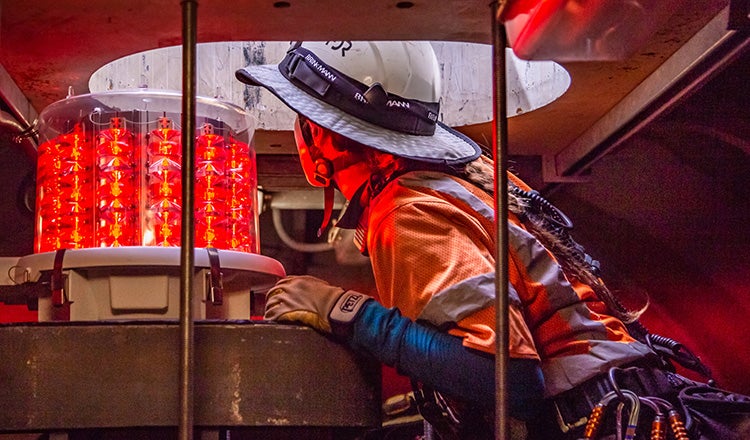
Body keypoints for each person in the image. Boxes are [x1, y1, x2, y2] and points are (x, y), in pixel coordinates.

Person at [236, 41, 748, 439]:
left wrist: (342, 310)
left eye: (301, 117)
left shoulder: (407, 210)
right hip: (636, 402)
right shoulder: (466, 180)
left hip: (596, 419)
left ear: (321, 134)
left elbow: (508, 383)